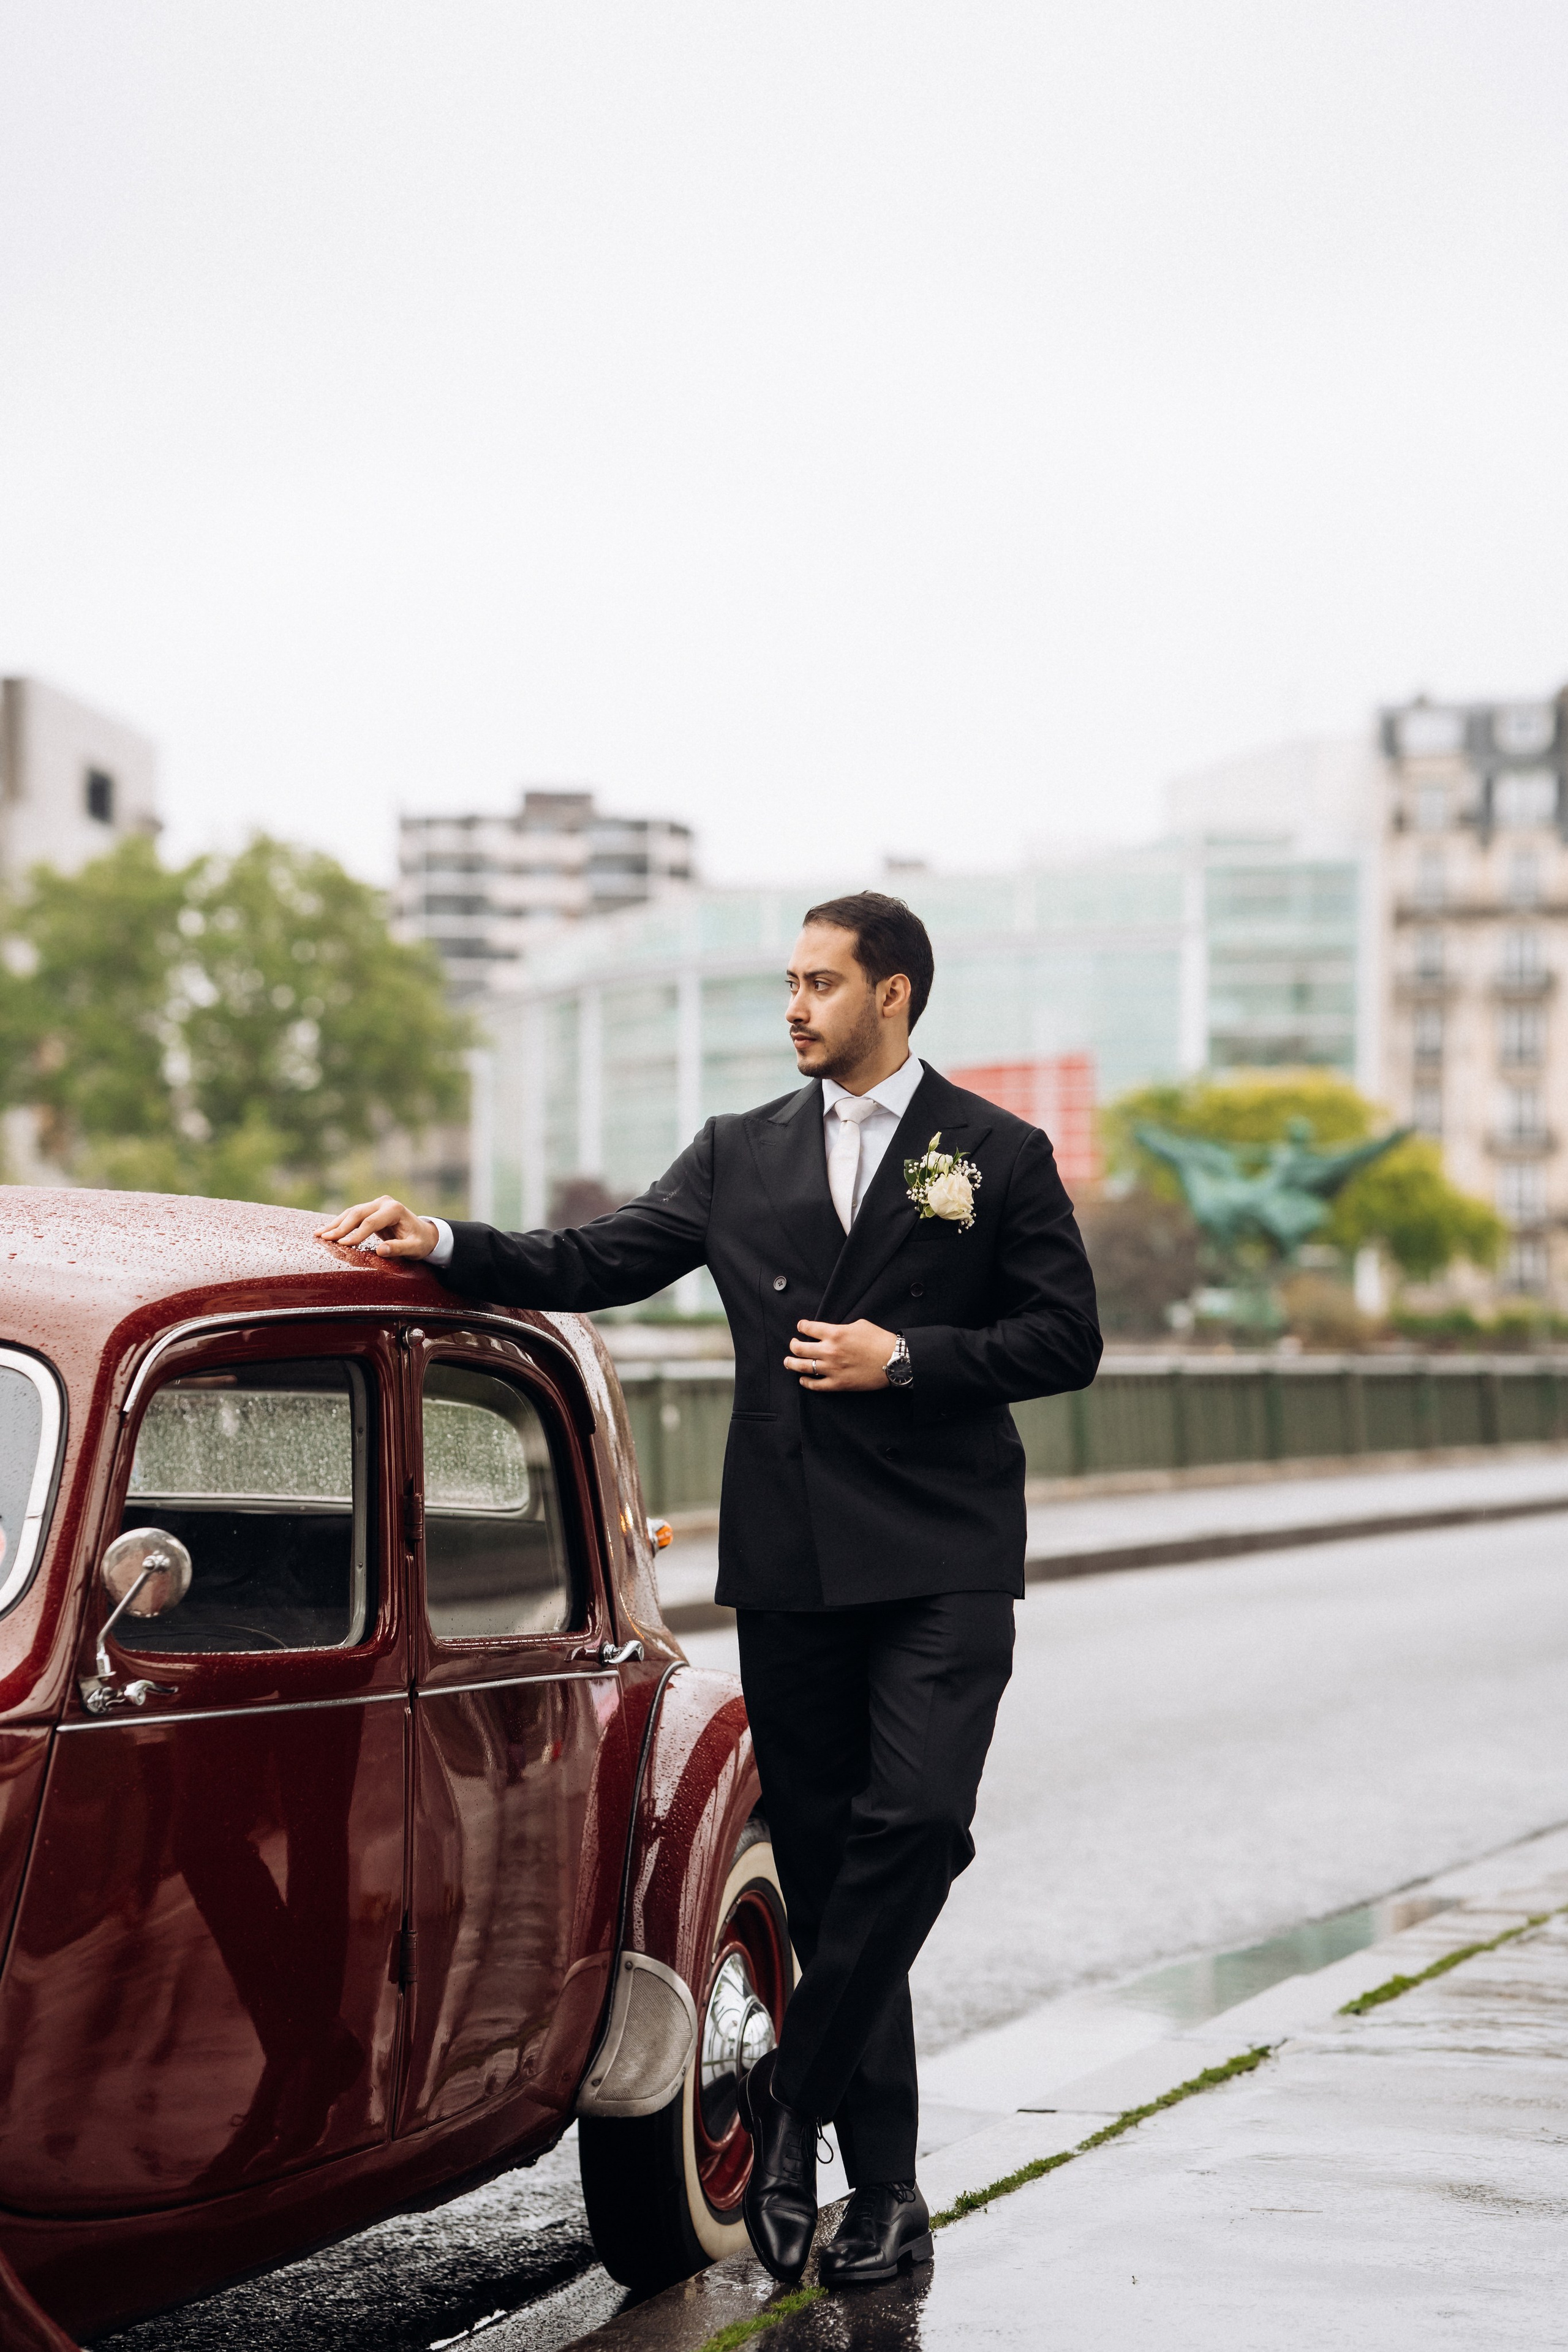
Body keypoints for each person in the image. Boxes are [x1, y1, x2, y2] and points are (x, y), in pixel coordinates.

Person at [316, 891, 1101, 2289]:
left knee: (910, 1828)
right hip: (793, 1558)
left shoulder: (993, 1151)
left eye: (819, 983)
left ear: (895, 997)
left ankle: (788, 2110)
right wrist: (441, 1243)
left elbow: (1064, 1337)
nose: (793, 1006)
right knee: (830, 1871)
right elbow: (595, 1260)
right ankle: (892, 2197)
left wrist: (904, 1359)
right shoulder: (738, 1155)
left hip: (942, 1557)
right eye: (787, 983)